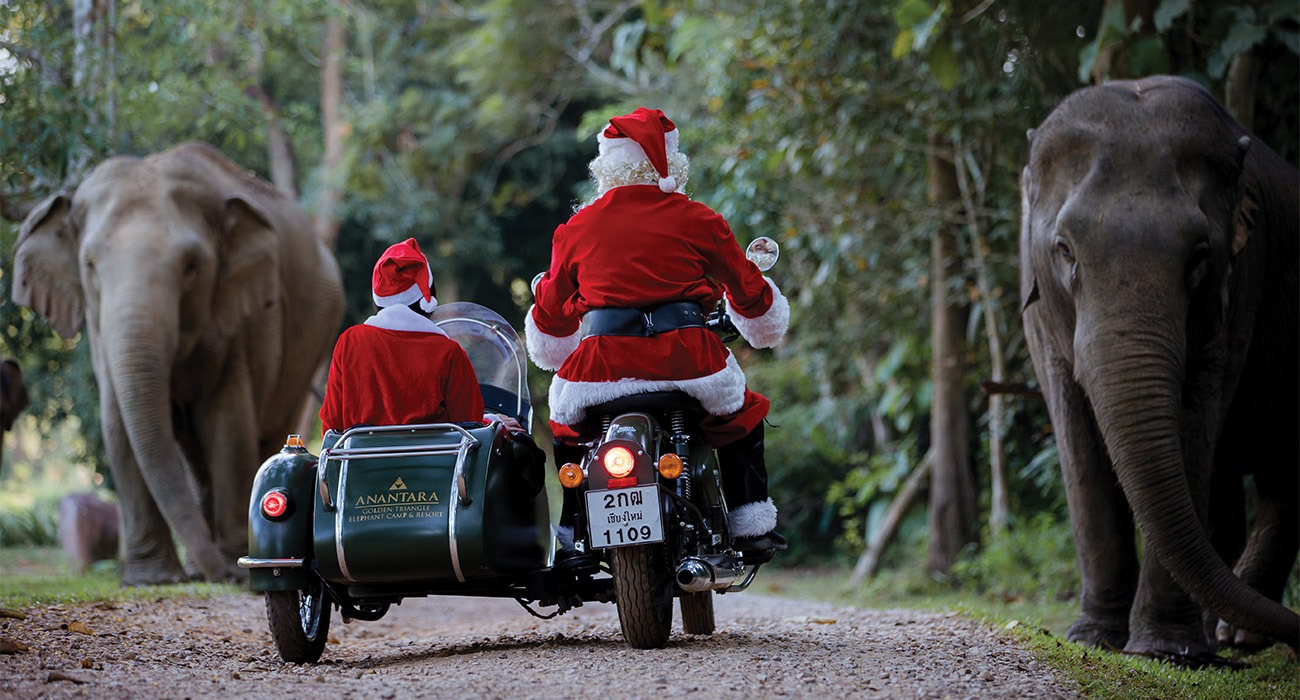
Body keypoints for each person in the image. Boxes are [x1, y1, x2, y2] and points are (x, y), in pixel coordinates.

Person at [525, 107, 790, 552]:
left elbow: (550, 314)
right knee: (743, 416)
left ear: (605, 167)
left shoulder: (576, 228)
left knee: (564, 427)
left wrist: (561, 333)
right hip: (690, 362)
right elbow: (747, 289)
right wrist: (760, 318)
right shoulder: (697, 218)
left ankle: (572, 525)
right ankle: (751, 525)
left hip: (599, 370)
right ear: (669, 162)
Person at [319, 237, 484, 435]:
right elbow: (470, 426)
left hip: (360, 464)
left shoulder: (350, 342)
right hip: (431, 465)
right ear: (427, 300)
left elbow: (331, 424)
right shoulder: (449, 352)